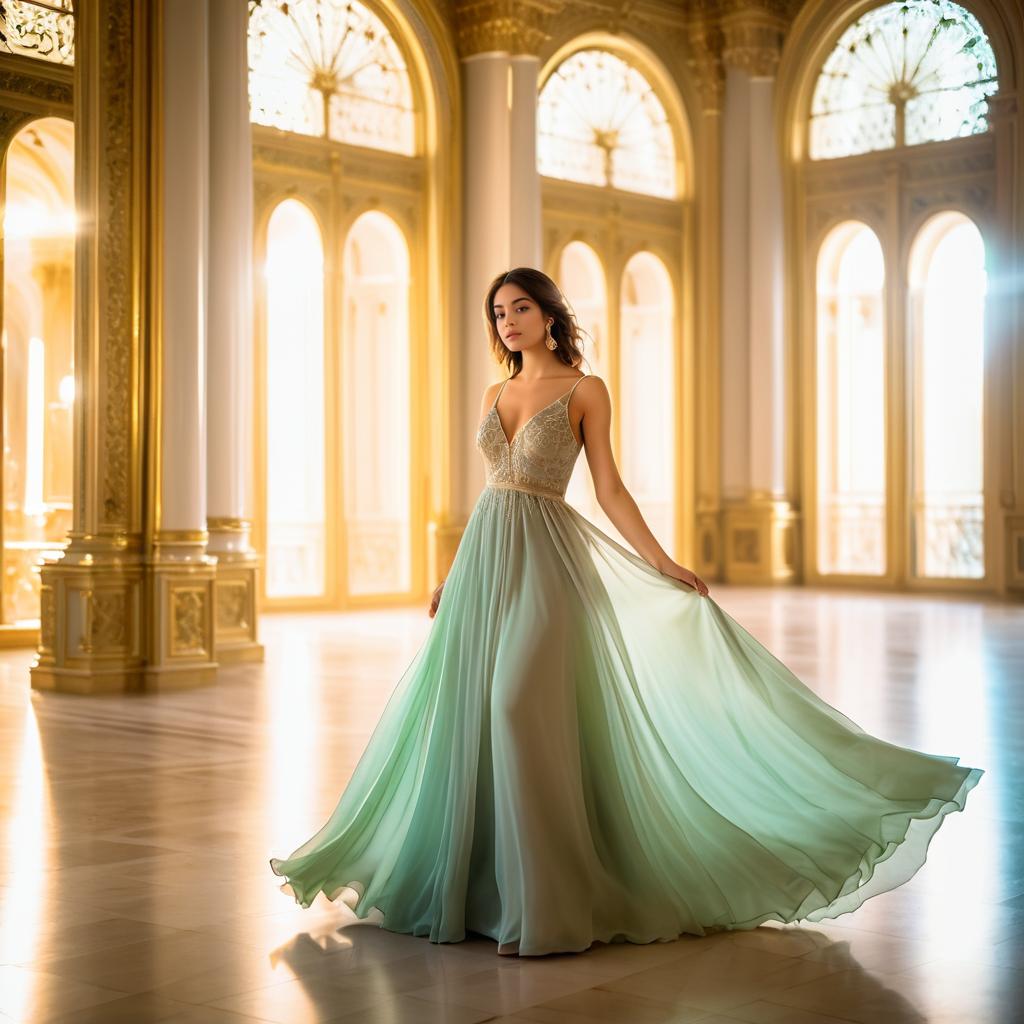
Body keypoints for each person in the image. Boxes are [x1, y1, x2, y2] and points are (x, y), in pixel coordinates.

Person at [270, 266, 983, 958]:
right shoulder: (496, 390)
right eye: (497, 312)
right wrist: (451, 575)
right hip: (485, 565)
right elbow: (491, 490)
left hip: (547, 567)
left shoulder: (586, 389)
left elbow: (609, 488)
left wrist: (661, 563)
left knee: (518, 708)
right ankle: (485, 897)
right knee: (472, 721)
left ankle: (545, 905)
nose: (507, 321)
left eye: (519, 307)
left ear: (549, 315)